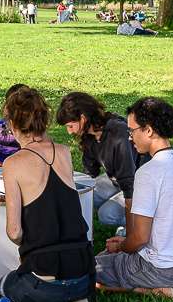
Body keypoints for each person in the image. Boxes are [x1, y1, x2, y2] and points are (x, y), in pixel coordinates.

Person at [0, 87, 95, 302]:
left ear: (12, 124)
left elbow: (14, 231)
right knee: (67, 280)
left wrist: (28, 243)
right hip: (83, 271)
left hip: (43, 273)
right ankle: (77, 301)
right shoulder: (63, 152)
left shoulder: (13, 164)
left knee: (7, 284)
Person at [96, 97, 173, 301]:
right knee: (103, 256)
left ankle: (161, 290)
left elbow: (140, 238)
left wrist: (121, 246)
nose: (130, 137)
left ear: (149, 130)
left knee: (87, 274)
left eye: (132, 131)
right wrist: (124, 242)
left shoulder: (149, 172)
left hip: (157, 267)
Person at [57, 92, 143, 227]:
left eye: (70, 126)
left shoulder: (118, 134)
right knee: (82, 196)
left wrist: (132, 235)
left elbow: (129, 181)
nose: (69, 132)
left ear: (83, 118)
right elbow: (89, 174)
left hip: (139, 183)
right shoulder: (90, 136)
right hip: (116, 180)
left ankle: (142, 224)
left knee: (107, 214)